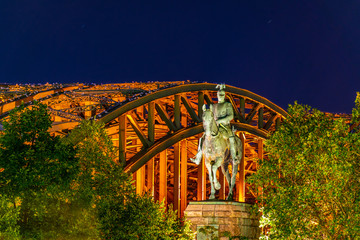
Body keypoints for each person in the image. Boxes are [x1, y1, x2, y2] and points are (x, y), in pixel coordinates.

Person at [191, 84, 239, 164]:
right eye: (219, 94)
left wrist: (221, 120)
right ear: (217, 95)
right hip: (215, 126)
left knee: (231, 139)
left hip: (225, 127)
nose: (221, 96)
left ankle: (234, 157)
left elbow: (231, 116)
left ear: (224, 95)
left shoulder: (227, 105)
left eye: (222, 95)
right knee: (202, 138)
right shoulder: (213, 106)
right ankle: (198, 157)